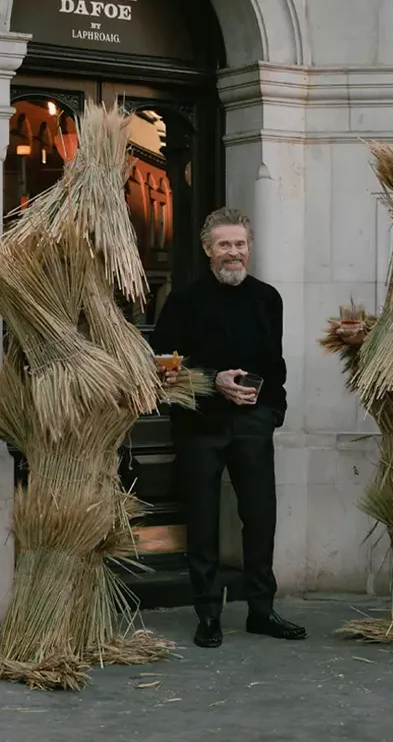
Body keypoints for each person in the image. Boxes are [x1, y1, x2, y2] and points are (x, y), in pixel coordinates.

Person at [152, 207, 306, 648]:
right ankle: (208, 615)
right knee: (202, 522)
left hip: (253, 425)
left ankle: (261, 610)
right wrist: (213, 379)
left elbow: (275, 366)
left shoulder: (267, 298)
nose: (233, 253)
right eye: (224, 245)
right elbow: (162, 360)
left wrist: (271, 412)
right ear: (208, 250)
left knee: (260, 517)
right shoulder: (183, 299)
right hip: (198, 425)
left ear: (249, 248)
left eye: (240, 245)